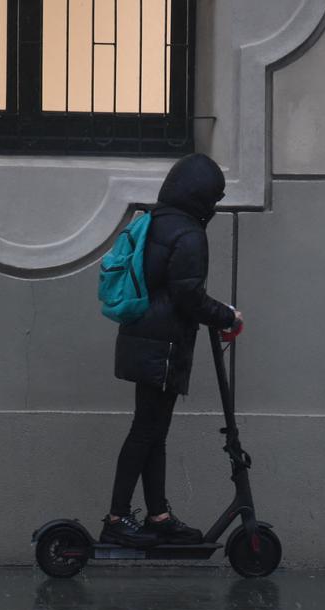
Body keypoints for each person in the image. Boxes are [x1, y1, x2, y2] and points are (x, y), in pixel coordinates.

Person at [102, 153, 244, 548]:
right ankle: (116, 518)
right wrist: (227, 316)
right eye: (213, 198)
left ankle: (158, 514)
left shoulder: (157, 221)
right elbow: (188, 296)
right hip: (162, 346)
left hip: (144, 338)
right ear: (200, 195)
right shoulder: (188, 234)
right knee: (145, 431)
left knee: (152, 431)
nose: (214, 207)